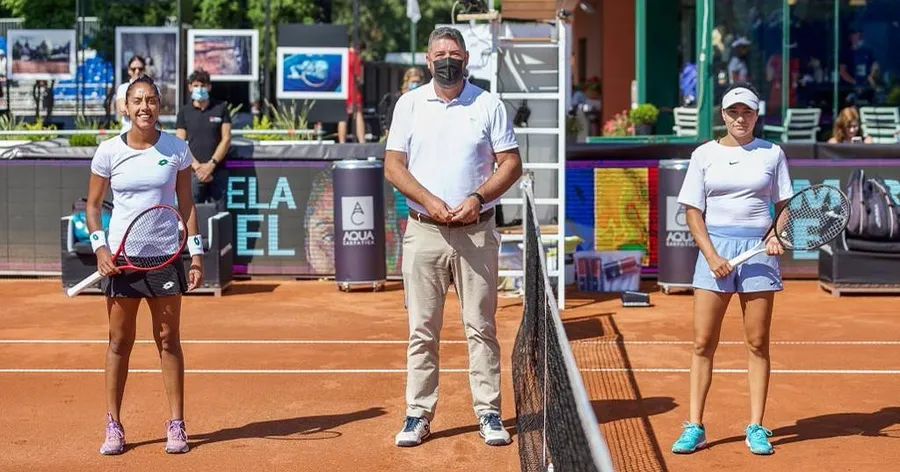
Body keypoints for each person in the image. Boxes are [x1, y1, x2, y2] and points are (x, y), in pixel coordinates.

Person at [384, 26, 523, 448]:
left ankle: (489, 412)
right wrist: (429, 200)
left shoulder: (488, 103)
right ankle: (417, 414)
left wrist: (477, 198)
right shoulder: (409, 104)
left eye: (455, 54)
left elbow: (511, 163)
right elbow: (393, 166)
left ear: (466, 59)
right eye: (440, 54)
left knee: (481, 327)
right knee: (421, 330)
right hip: (423, 231)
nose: (448, 61)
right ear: (428, 60)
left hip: (476, 233)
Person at [671, 83, 794, 456]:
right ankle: (695, 426)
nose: (740, 118)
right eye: (733, 112)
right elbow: (693, 211)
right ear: (723, 115)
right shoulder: (704, 154)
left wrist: (775, 235)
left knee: (757, 343)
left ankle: (756, 426)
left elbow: (784, 206)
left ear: (756, 115)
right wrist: (711, 256)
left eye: (747, 112)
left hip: (759, 254)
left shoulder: (773, 153)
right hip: (715, 252)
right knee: (702, 343)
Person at [86, 75, 204, 456]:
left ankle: (177, 423)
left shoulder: (177, 149)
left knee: (168, 339)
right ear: (126, 107)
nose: (144, 107)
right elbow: (92, 207)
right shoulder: (108, 152)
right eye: (137, 101)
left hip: (164, 257)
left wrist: (196, 254)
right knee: (119, 341)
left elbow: (186, 203)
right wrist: (100, 249)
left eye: (151, 100)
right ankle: (113, 424)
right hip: (122, 259)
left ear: (159, 105)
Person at [175, 69, 232, 210]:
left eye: (203, 85)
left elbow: (226, 139)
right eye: (196, 85)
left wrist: (211, 165)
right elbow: (180, 142)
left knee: (220, 215)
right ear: (190, 87)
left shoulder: (221, 108)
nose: (199, 89)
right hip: (193, 172)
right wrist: (197, 167)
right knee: (192, 214)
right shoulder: (184, 112)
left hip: (217, 171)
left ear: (209, 87)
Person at [379, 67, 425, 136]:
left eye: (417, 82)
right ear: (407, 81)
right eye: (413, 82)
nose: (415, 84)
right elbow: (390, 117)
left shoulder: (423, 98)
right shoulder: (399, 98)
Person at [339, 42, 366, 143]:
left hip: (341, 90)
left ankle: (341, 142)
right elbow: (359, 78)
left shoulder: (342, 55)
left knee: (342, 116)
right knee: (358, 114)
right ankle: (362, 141)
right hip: (353, 91)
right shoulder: (356, 58)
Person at [115, 55, 147, 134]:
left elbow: (155, 111)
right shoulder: (123, 88)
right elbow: (123, 110)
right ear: (129, 70)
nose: (137, 71)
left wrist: (132, 105)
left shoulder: (153, 88)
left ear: (144, 70)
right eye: (133, 69)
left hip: (149, 133)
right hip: (128, 132)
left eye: (140, 69)